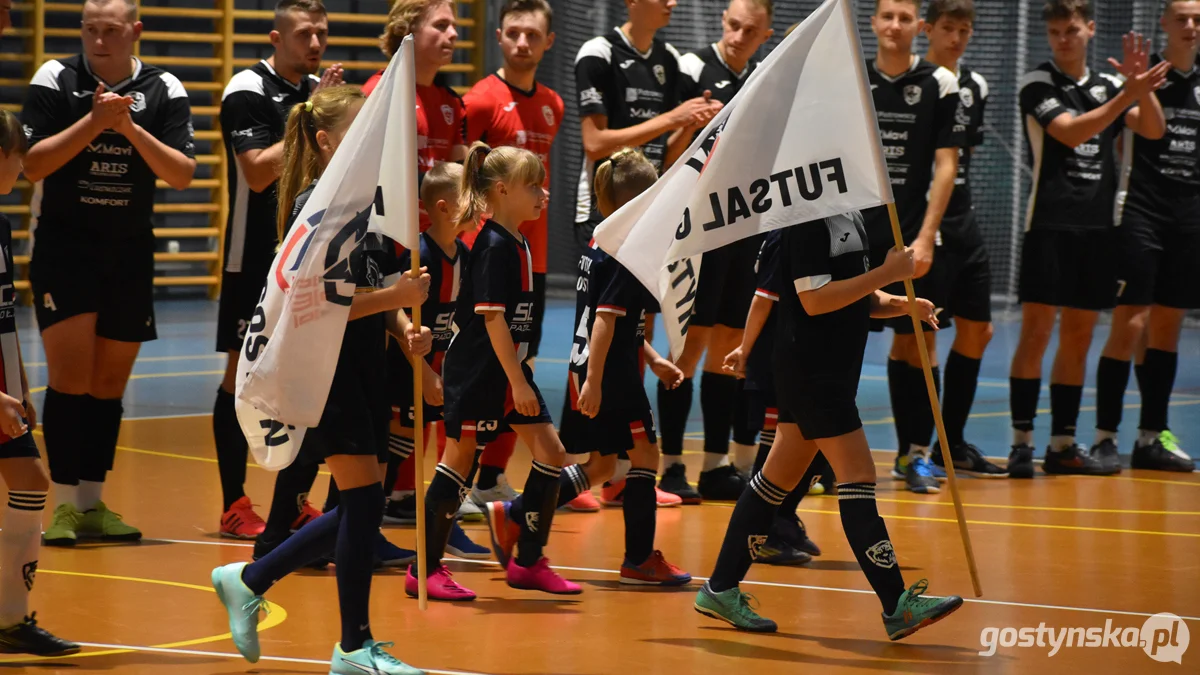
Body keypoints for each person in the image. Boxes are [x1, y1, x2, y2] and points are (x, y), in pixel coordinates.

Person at [211, 84, 433, 675]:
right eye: (359, 134)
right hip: (327, 368)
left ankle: (251, 578)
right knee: (362, 501)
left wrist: (406, 328)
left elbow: (372, 289)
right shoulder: (319, 207)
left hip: (362, 365)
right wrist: (397, 295)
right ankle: (353, 647)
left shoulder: (366, 206)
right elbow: (317, 303)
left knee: (363, 503)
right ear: (326, 139)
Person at [693, 214, 963, 640]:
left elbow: (856, 290)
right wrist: (886, 271)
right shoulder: (806, 220)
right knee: (857, 475)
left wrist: (900, 302)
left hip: (832, 371)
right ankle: (897, 604)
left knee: (774, 480)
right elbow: (814, 298)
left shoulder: (850, 213)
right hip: (811, 371)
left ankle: (720, 588)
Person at [21, 0, 196, 545]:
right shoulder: (56, 77)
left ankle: (93, 503)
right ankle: (66, 506)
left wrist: (128, 128)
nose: (99, 40)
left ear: (134, 32)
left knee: (108, 384)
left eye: (111, 30)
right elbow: (33, 163)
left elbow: (182, 174)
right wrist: (94, 121)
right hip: (65, 247)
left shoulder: (166, 88)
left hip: (129, 251)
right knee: (71, 379)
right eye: (90, 29)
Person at [1007, 0, 1169, 478]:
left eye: (1071, 30)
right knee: (1036, 333)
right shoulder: (1037, 83)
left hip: (1099, 232)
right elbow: (1073, 133)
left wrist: (1141, 88)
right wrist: (1126, 96)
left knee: (1077, 337)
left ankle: (1061, 444)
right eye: (1055, 31)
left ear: (1090, 30)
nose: (1063, 39)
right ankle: (1021, 443)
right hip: (1050, 226)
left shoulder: (1110, 84)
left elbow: (1154, 129)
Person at [574, 0, 722, 502]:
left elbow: (673, 151)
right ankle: (603, 460)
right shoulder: (599, 51)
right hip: (607, 213)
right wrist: (673, 117)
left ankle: (625, 466)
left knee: (634, 321)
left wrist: (697, 126)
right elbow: (596, 142)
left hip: (649, 211)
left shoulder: (671, 60)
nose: (674, 4)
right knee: (601, 320)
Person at [421, 142, 579, 600]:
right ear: (504, 190)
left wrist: (519, 374)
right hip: (480, 372)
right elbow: (491, 319)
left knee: (550, 453)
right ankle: (424, 568)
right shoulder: (492, 244)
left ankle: (528, 559)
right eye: (534, 186)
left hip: (510, 370)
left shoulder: (518, 240)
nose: (542, 194)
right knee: (460, 461)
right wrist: (516, 381)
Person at [215, 0, 342, 541]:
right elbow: (258, 173)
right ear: (276, 37)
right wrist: (310, 114)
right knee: (237, 379)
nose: (314, 43)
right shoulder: (247, 89)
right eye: (304, 34)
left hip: (307, 258)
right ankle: (233, 502)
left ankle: (290, 504)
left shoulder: (315, 92)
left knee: (304, 373)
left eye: (322, 33)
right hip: (255, 258)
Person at [551, 148, 690, 584]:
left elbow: (618, 321)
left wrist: (653, 358)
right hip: (608, 374)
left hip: (594, 366)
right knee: (645, 455)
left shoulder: (599, 240)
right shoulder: (625, 253)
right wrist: (594, 381)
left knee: (602, 466)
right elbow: (606, 321)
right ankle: (639, 558)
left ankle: (518, 516)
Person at [664, 0, 775, 502]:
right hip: (698, 228)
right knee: (688, 344)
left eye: (749, 30)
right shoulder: (691, 68)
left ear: (765, 33)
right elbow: (669, 152)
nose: (737, 36)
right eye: (732, 25)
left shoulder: (763, 80)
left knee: (730, 345)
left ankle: (714, 466)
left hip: (744, 225)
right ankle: (668, 465)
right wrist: (689, 126)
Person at [460, 0, 568, 512]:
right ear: (500, 36)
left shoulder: (552, 103)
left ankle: (492, 478)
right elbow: (459, 176)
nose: (522, 43)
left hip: (534, 256)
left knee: (520, 362)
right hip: (492, 257)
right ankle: (454, 480)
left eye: (533, 35)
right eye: (514, 33)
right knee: (485, 369)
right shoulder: (480, 100)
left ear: (549, 41)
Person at [365, 0, 470, 528]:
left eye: (454, 25)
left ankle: (408, 496)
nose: (453, 33)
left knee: (427, 370)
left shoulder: (450, 103)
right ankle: (372, 498)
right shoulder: (380, 91)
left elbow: (452, 179)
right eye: (442, 24)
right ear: (409, 30)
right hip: (383, 250)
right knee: (389, 380)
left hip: (428, 251)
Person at [1091, 0, 1199, 474]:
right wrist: (1139, 87)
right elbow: (1135, 130)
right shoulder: (1139, 79)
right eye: (1182, 18)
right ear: (1164, 24)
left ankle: (1152, 436)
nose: (1191, 26)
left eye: (1198, 18)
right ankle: (1104, 438)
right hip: (1139, 211)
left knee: (1168, 327)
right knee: (1131, 323)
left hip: (1189, 217)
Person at [862, 0, 963, 495]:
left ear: (919, 27)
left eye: (905, 18)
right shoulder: (852, 79)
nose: (895, 26)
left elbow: (946, 164)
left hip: (909, 236)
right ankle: (817, 461)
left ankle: (915, 454)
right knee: (836, 341)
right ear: (874, 22)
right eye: (887, 16)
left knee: (919, 342)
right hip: (853, 238)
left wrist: (926, 235)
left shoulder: (939, 83)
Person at [388, 162, 491, 570]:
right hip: (407, 369)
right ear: (445, 208)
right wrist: (424, 372)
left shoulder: (464, 255)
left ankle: (443, 525)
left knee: (447, 445)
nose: (479, 205)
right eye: (471, 197)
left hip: (442, 372)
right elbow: (398, 322)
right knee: (396, 446)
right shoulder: (421, 257)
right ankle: (360, 520)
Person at [920, 0, 1006, 477]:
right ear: (928, 30)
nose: (956, 38)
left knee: (979, 329)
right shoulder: (918, 81)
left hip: (962, 216)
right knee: (918, 337)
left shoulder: (976, 85)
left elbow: (959, 153)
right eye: (948, 28)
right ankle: (919, 449)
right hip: (923, 219)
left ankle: (949, 443)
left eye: (964, 30)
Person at [721, 230, 824, 565]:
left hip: (799, 352)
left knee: (814, 452)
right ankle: (763, 530)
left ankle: (782, 517)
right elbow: (762, 298)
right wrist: (745, 350)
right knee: (777, 452)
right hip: (775, 355)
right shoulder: (785, 237)